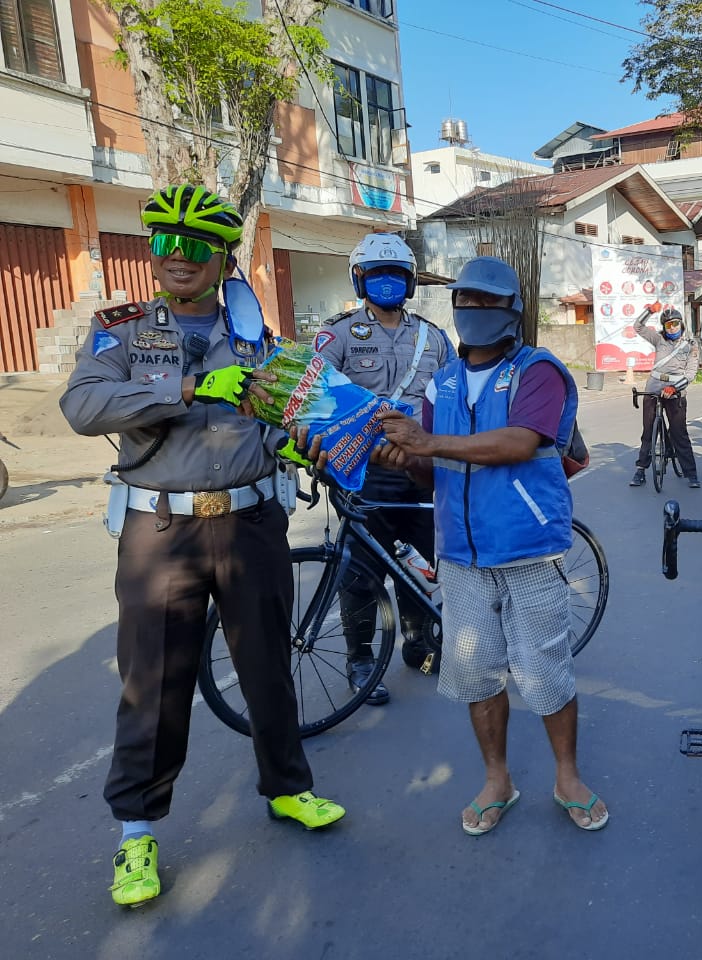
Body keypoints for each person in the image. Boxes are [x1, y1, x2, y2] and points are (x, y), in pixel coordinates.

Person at [61, 184, 345, 908]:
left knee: (268, 666)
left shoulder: (259, 338)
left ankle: (288, 789)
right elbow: (83, 407)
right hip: (162, 529)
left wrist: (313, 440)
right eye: (164, 244)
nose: (177, 258)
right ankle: (136, 833)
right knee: (153, 684)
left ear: (222, 260)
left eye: (194, 247)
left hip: (251, 523)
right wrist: (185, 388)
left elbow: (294, 418)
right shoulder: (120, 331)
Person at [360, 256, 608, 835]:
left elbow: (520, 443)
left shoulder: (538, 370)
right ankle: (497, 779)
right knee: (476, 673)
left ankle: (566, 774)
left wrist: (429, 440)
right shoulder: (441, 384)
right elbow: (432, 472)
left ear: (513, 310)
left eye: (487, 302)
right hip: (462, 556)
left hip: (528, 546)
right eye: (464, 301)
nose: (473, 312)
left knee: (545, 669)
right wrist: (410, 459)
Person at [314, 233, 456, 698]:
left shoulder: (433, 338)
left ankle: (418, 644)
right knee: (361, 572)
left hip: (420, 470)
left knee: (417, 561)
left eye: (396, 275)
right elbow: (315, 400)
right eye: (377, 275)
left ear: (410, 281)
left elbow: (451, 398)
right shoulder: (336, 336)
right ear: (360, 280)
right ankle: (361, 662)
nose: (388, 283)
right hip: (363, 470)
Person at [629, 303, 702, 488]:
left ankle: (691, 474)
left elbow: (691, 374)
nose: (673, 327)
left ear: (682, 324)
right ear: (664, 327)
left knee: (679, 433)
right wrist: (649, 311)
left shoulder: (691, 345)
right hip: (654, 386)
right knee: (648, 432)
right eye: (669, 325)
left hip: (676, 389)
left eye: (676, 323)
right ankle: (640, 470)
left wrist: (674, 388)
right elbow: (637, 327)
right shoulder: (659, 340)